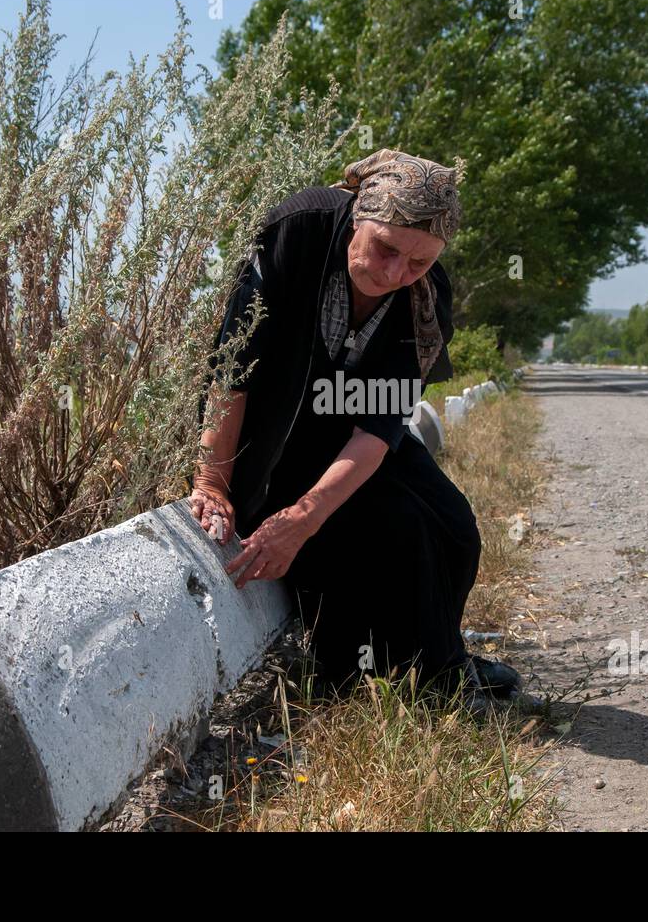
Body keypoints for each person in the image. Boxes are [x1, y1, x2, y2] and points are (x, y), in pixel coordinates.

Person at [188, 148, 522, 704]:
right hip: (275, 442)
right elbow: (233, 372)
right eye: (385, 249)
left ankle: (442, 659)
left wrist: (304, 518)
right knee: (391, 528)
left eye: (416, 263)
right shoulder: (296, 232)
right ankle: (393, 681)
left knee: (455, 528)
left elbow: (378, 431)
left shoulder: (425, 296)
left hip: (349, 438)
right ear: (358, 216)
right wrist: (213, 481)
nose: (394, 275)